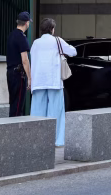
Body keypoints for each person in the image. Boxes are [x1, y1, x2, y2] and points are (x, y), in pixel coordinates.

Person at [29, 18, 76, 147]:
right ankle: (57, 141)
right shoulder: (57, 41)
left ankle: (37, 140)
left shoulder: (36, 43)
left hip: (38, 81)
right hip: (53, 80)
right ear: (52, 29)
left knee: (37, 112)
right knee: (56, 113)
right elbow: (73, 52)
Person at [6, 12, 32, 117]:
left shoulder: (11, 35)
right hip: (18, 74)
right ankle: (15, 126)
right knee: (18, 106)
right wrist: (29, 77)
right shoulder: (21, 37)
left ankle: (11, 124)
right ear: (26, 23)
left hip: (10, 72)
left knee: (13, 103)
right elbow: (25, 60)